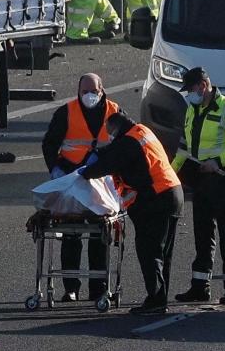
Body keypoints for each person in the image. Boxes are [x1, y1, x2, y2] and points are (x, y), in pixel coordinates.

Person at [81, 111, 183, 315]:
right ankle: (159, 298)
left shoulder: (128, 143)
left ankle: (155, 300)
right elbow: (113, 152)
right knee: (162, 252)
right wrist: (101, 152)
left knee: (150, 251)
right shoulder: (140, 131)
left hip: (156, 200)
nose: (108, 135)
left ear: (117, 129)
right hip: (171, 194)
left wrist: (82, 172)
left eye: (109, 132)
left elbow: (104, 166)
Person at [171, 67, 225, 305]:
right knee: (202, 234)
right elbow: (184, 147)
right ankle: (199, 287)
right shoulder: (192, 110)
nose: (189, 94)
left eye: (192, 89)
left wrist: (217, 162)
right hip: (202, 179)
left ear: (203, 86)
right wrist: (170, 174)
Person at [41, 73, 122, 302]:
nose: (89, 96)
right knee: (71, 234)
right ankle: (71, 288)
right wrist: (55, 170)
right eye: (84, 91)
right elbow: (49, 144)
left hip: (101, 182)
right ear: (78, 91)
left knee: (100, 233)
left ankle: (98, 288)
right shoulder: (66, 112)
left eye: (93, 91)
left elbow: (125, 145)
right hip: (72, 179)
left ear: (101, 90)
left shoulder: (114, 112)